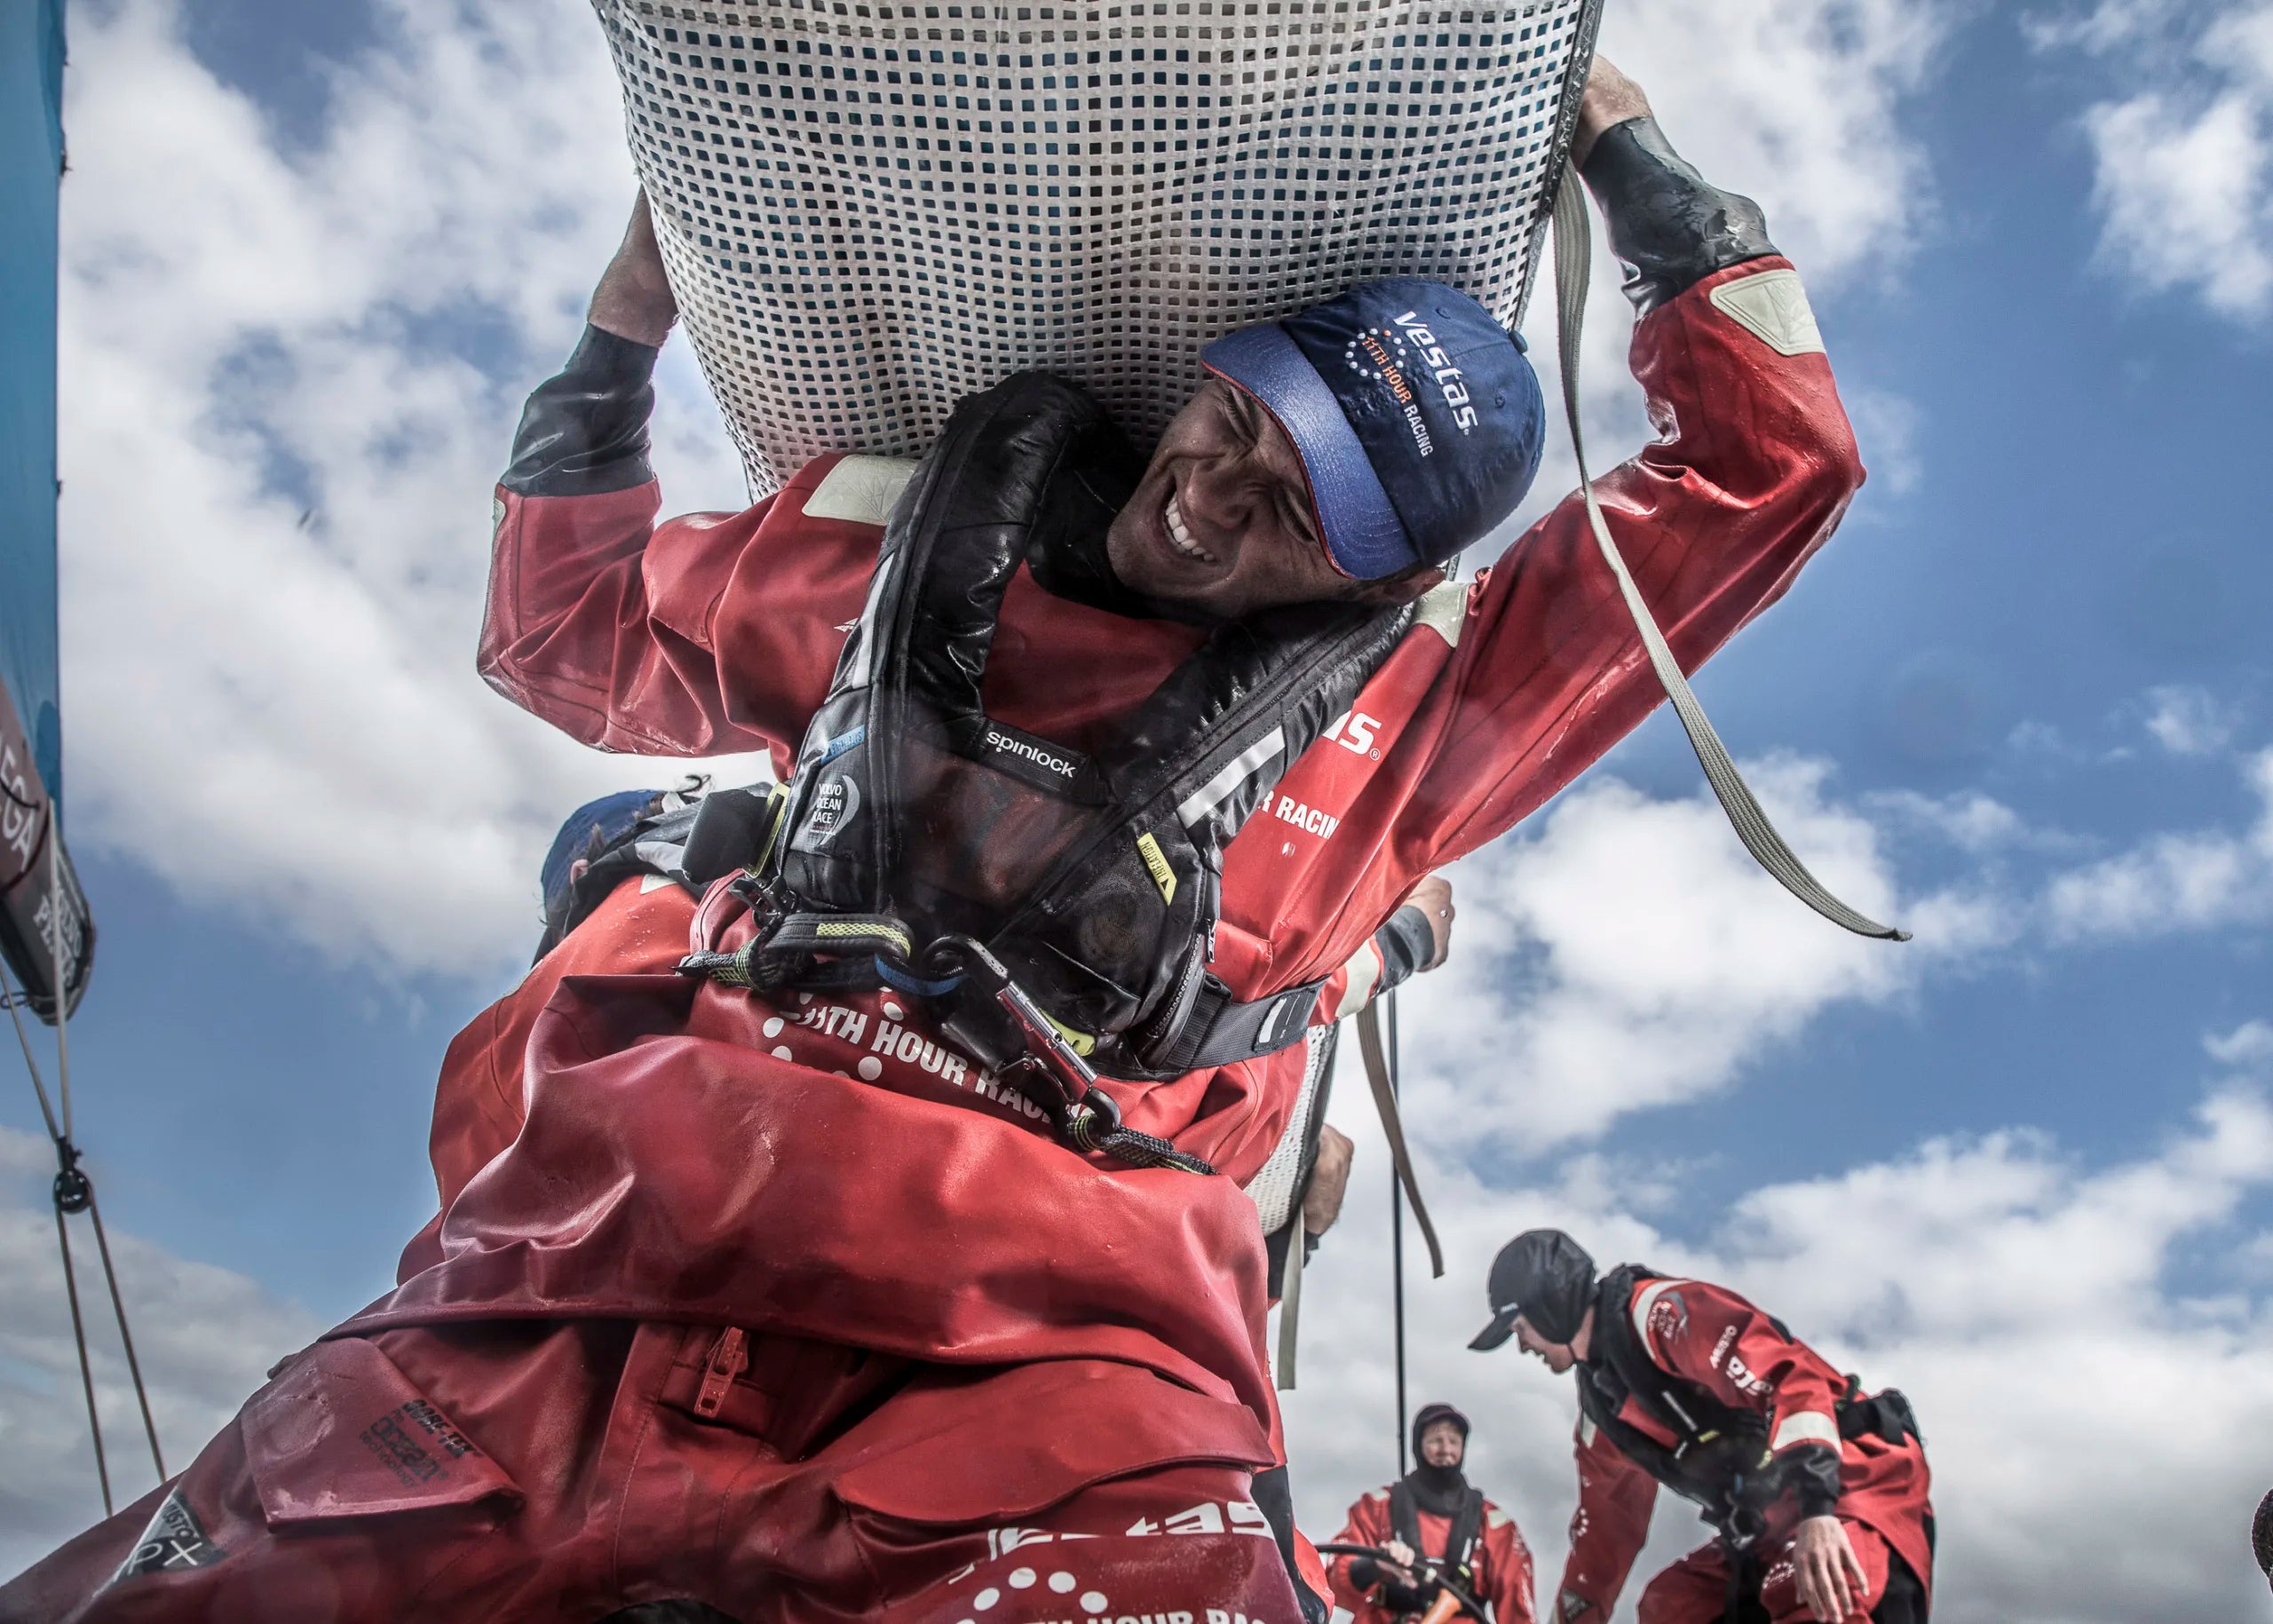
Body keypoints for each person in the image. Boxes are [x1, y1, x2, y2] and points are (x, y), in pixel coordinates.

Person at [4, 57, 1868, 1624]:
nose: (1209, 506)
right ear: (1207, 369)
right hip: (598, 1281)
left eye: (1294, 516)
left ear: (1373, 582)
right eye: (1235, 422)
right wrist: (621, 325)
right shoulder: (889, 567)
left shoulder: (1426, 724)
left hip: (1056, 1387)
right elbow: (557, 630)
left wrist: (1634, 171)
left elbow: (1774, 467)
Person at [1469, 1232, 1932, 1624]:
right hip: (1769, 1524)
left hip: (1851, 1480)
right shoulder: (1604, 1414)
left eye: (1520, 1327)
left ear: (1551, 1305)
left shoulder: (1663, 1315)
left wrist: (1818, 1511)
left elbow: (1790, 1378)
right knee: (1673, 1605)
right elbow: (1604, 1536)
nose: (1522, 1345)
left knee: (1814, 1585)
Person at [1329, 1404, 1535, 1624]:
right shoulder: (1375, 1507)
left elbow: (1519, 1610)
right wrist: (1377, 1564)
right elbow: (1335, 1582)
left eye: (1454, 1441)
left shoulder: (1495, 1525)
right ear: (1418, 1446)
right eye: (1436, 1440)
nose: (1445, 1449)